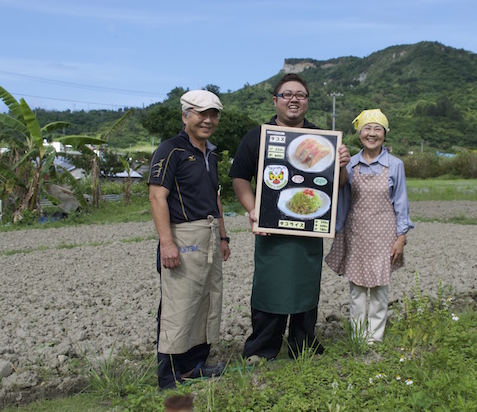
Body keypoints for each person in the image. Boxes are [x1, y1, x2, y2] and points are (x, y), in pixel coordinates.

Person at [229, 73, 350, 363]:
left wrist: (342, 164)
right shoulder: (258, 136)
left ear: (307, 102)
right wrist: (253, 208)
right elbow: (239, 177)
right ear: (276, 100)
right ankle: (261, 348)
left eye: (301, 95)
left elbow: (339, 183)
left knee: (304, 288)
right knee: (269, 287)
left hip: (307, 227)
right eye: (287, 94)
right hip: (271, 227)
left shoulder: (322, 139)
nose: (294, 99)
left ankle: (303, 345)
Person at [148, 90, 231, 389]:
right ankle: (169, 375)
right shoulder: (170, 150)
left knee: (206, 300)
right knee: (179, 304)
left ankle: (195, 365)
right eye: (201, 113)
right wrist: (166, 242)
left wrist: (223, 235)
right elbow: (157, 197)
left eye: (213, 114)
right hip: (183, 235)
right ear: (186, 115)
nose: (208, 120)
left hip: (209, 233)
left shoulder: (210, 151)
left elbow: (216, 196)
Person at [325, 109, 413, 344]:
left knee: (379, 290)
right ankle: (357, 337)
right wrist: (337, 230)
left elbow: (401, 203)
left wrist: (401, 237)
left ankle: (374, 338)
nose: (372, 133)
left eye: (378, 129)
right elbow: (341, 197)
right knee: (357, 291)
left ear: (384, 134)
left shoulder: (395, 165)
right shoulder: (350, 164)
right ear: (359, 133)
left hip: (385, 236)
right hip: (356, 234)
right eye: (367, 128)